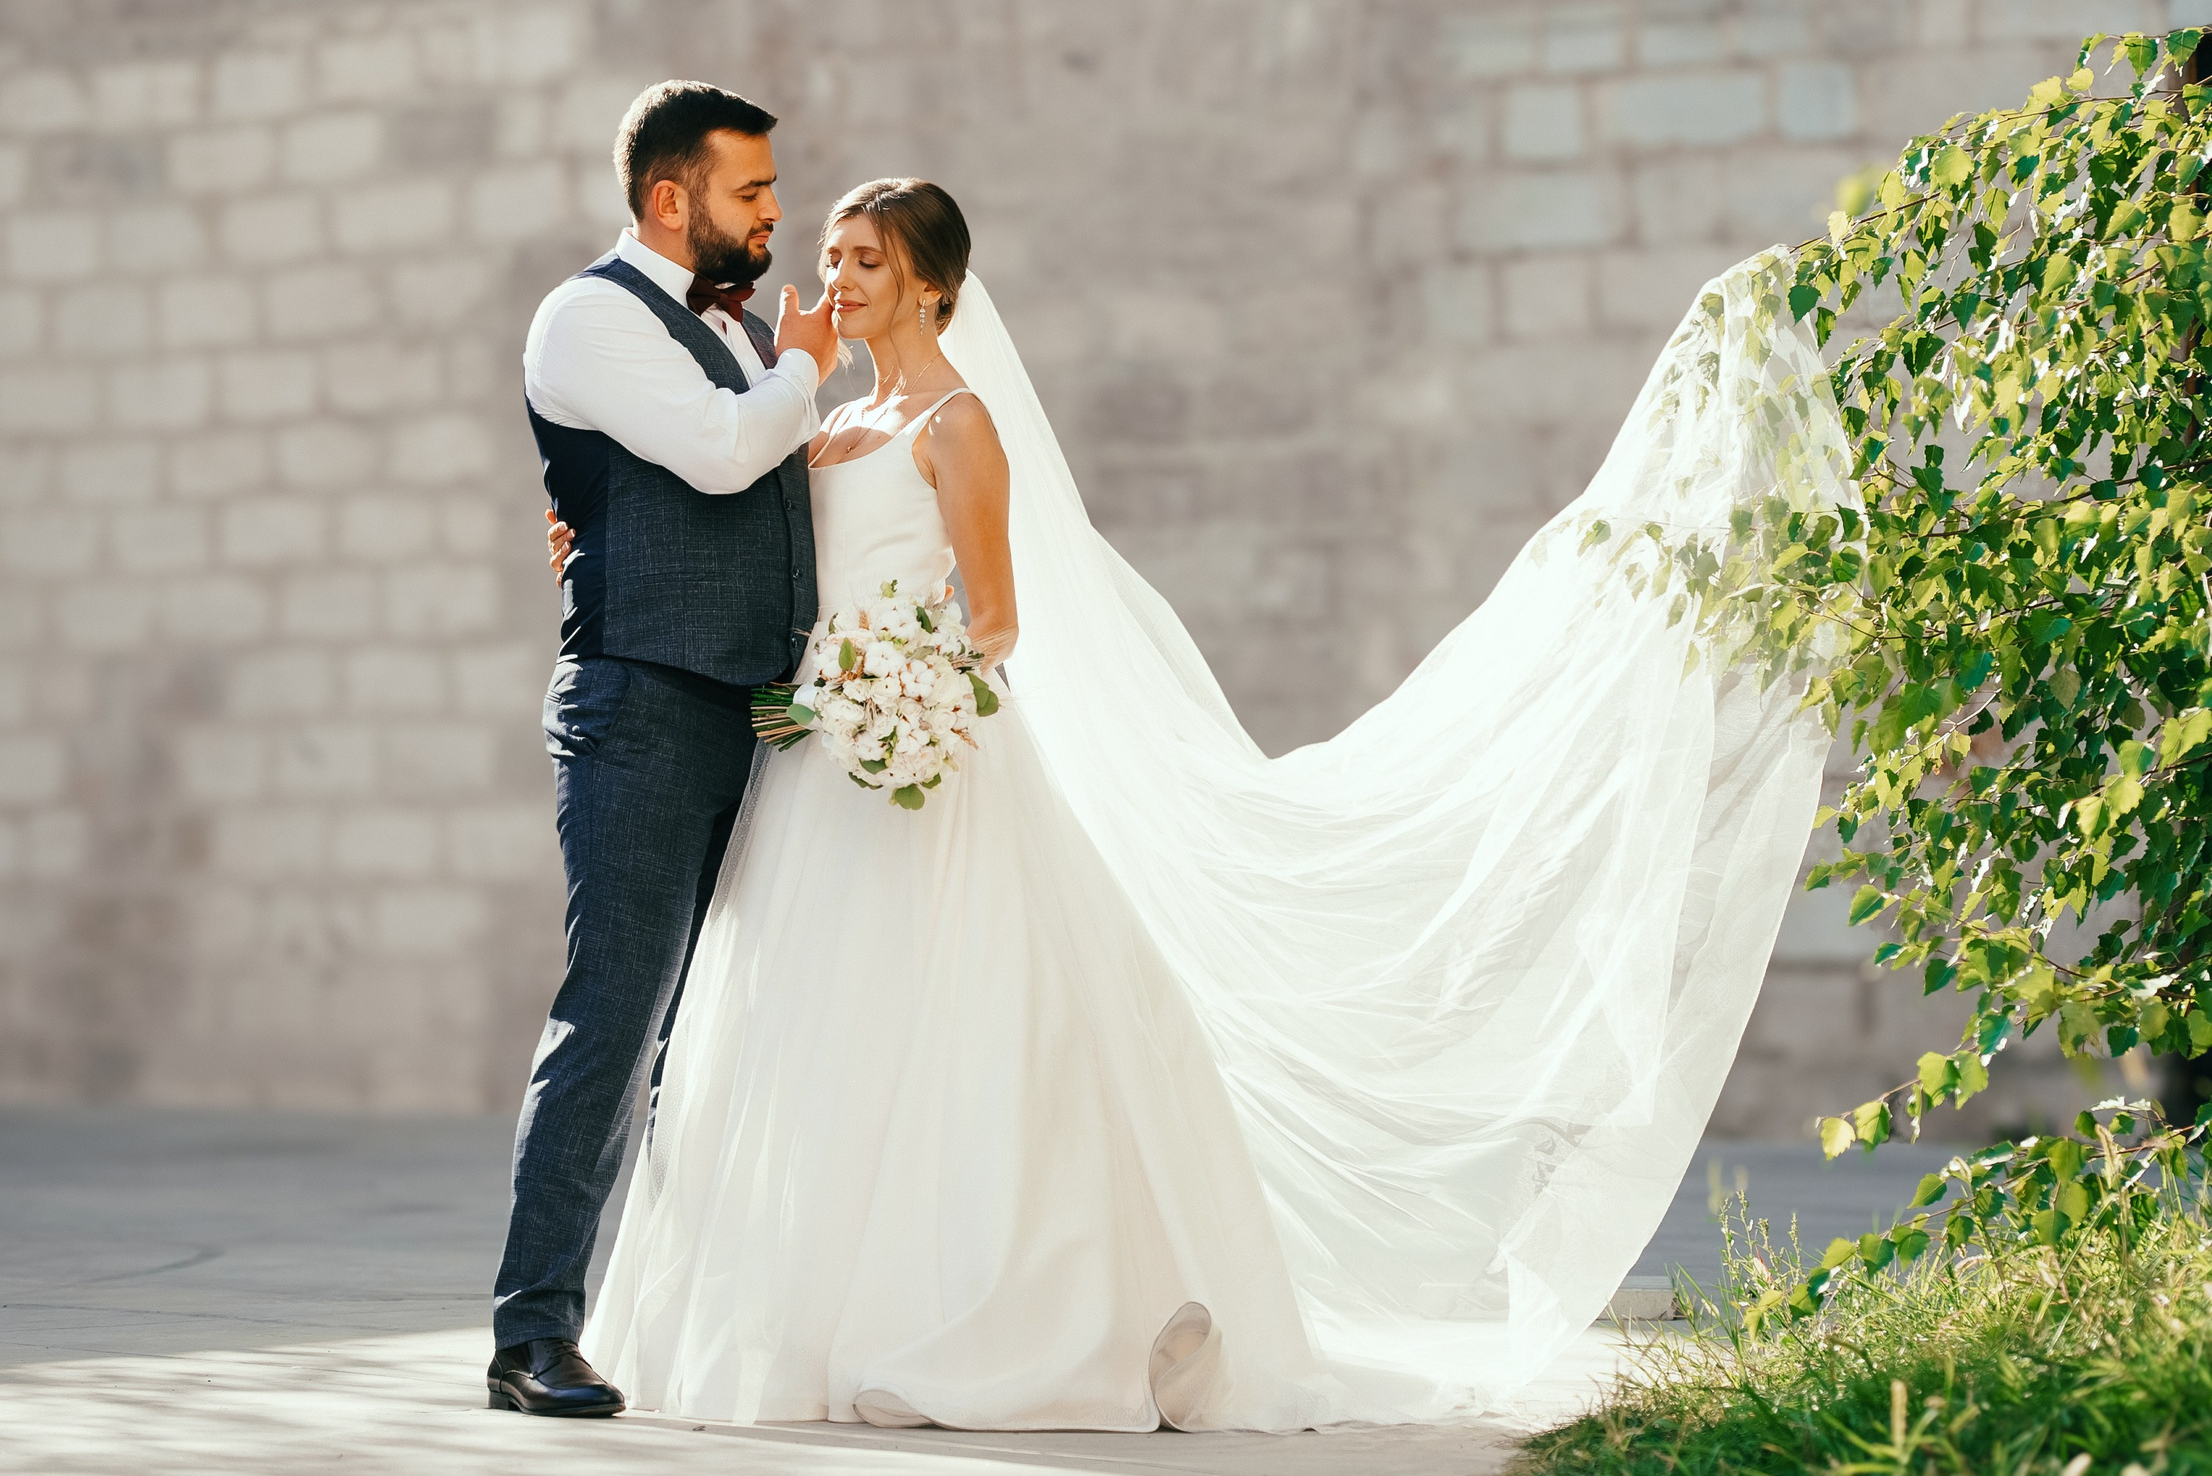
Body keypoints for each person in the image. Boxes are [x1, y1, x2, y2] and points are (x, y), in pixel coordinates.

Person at [548, 182, 1851, 1431]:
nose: (835, 277)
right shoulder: (820, 430)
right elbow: (735, 546)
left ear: (935, 285)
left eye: (866, 259)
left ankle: (987, 1324)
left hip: (924, 764)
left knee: (954, 1042)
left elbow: (994, 622)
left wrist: (891, 692)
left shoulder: (961, 426)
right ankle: (798, 1327)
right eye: (829, 256)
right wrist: (602, 543)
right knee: (804, 1048)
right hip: (816, 780)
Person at [488, 81, 842, 1417]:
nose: (774, 213)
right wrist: (806, 366)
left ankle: (697, 1323)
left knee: (726, 1029)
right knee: (617, 1015)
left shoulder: (745, 335)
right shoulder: (587, 317)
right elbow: (716, 456)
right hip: (641, 707)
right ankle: (533, 1336)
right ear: (665, 198)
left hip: (756, 709)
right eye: (751, 191)